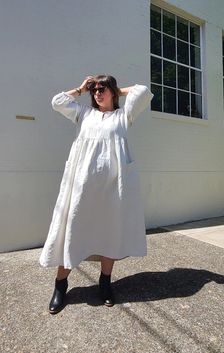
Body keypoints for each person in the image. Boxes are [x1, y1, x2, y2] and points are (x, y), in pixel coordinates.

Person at [39, 75, 153, 314]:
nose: (97, 93)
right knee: (74, 228)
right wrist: (81, 88)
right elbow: (57, 101)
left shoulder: (124, 116)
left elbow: (142, 90)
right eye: (95, 90)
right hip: (82, 186)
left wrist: (118, 90)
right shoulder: (83, 114)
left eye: (103, 89)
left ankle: (105, 283)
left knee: (110, 232)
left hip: (114, 187)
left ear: (112, 91)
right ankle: (61, 285)